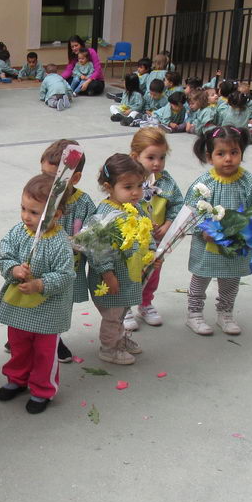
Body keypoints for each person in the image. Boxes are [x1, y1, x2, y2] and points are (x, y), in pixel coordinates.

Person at [0, 173, 75, 415]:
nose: (25, 216)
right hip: (20, 307)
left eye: (33, 212)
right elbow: (4, 254)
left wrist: (40, 284)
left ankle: (42, 389)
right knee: (19, 345)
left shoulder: (60, 243)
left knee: (45, 352)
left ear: (56, 215)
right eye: (23, 209)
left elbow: (65, 275)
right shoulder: (19, 232)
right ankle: (17, 378)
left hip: (48, 311)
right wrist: (14, 268)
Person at [185, 126, 252, 336]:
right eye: (221, 154)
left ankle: (225, 313)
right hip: (207, 242)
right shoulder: (204, 183)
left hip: (236, 243)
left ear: (241, 153)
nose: (228, 158)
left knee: (231, 278)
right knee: (201, 277)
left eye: (234, 152)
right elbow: (190, 211)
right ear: (210, 157)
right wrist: (201, 228)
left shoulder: (248, 182)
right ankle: (194, 313)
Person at [88, 154, 147, 365]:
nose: (135, 192)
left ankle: (120, 339)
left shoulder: (135, 207)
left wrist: (152, 254)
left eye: (140, 185)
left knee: (121, 311)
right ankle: (109, 348)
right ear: (109, 187)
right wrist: (107, 274)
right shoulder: (104, 214)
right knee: (112, 315)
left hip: (127, 274)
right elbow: (96, 248)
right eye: (128, 186)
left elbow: (146, 232)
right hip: (110, 279)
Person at [40, 140, 95, 362]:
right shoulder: (40, 195)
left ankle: (54, 338)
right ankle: (25, 331)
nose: (47, 182)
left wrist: (78, 240)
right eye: (43, 174)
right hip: (41, 264)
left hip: (68, 268)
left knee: (60, 306)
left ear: (75, 178)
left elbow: (92, 234)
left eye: (54, 178)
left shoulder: (83, 203)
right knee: (34, 301)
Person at [125, 128, 183, 332]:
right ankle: (125, 307)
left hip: (157, 240)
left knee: (152, 273)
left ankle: (145, 302)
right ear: (135, 156)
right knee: (129, 273)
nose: (157, 163)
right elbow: (118, 205)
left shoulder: (166, 181)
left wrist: (168, 224)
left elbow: (177, 204)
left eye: (161, 157)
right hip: (131, 241)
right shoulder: (127, 181)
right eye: (150, 157)